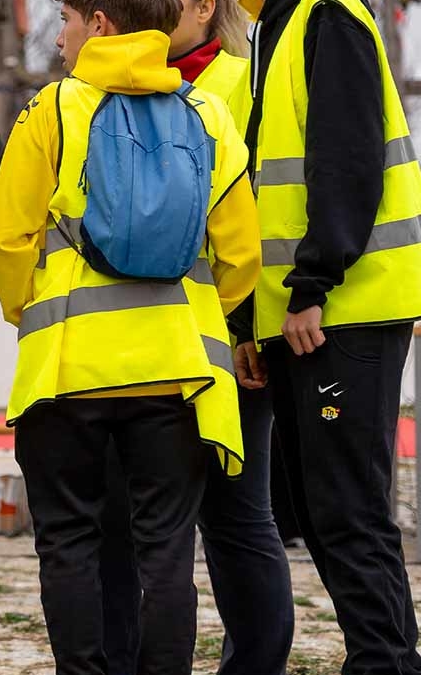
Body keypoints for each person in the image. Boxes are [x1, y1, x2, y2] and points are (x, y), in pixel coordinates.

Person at [0, 0, 262, 670]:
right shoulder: (208, 114)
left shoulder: (52, 110)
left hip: (68, 369)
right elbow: (241, 256)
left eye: (68, 20)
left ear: (101, 22)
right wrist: (193, 309)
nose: (60, 37)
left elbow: (6, 238)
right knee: (166, 549)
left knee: (69, 543)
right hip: (176, 371)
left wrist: (31, 310)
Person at [97, 1, 295, 672]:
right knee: (124, 521)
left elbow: (262, 217)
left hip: (222, 339)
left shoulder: (243, 82)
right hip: (129, 340)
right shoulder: (109, 81)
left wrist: (244, 326)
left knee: (236, 515)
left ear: (206, 8)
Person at [235, 0, 421, 669]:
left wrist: (312, 285)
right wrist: (251, 320)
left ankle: (383, 662)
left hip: (340, 307)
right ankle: (387, 657)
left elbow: (346, 159)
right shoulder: (278, 26)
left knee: (347, 509)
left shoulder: (328, 16)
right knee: (323, 510)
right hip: (306, 312)